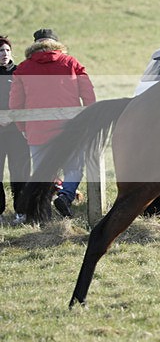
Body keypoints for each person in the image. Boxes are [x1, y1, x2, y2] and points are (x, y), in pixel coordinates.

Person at [9, 28, 96, 218]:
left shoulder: (23, 68)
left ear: (35, 44)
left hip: (37, 131)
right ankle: (65, 196)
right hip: (71, 128)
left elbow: (15, 104)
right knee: (74, 167)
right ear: (56, 43)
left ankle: (42, 213)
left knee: (42, 172)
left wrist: (23, 128)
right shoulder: (71, 62)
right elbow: (87, 93)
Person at [0, 36, 31, 224]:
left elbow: (28, 99)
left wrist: (12, 117)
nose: (4, 54)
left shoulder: (20, 72)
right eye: (0, 51)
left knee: (20, 172)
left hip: (18, 132)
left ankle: (21, 210)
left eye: (7, 51)